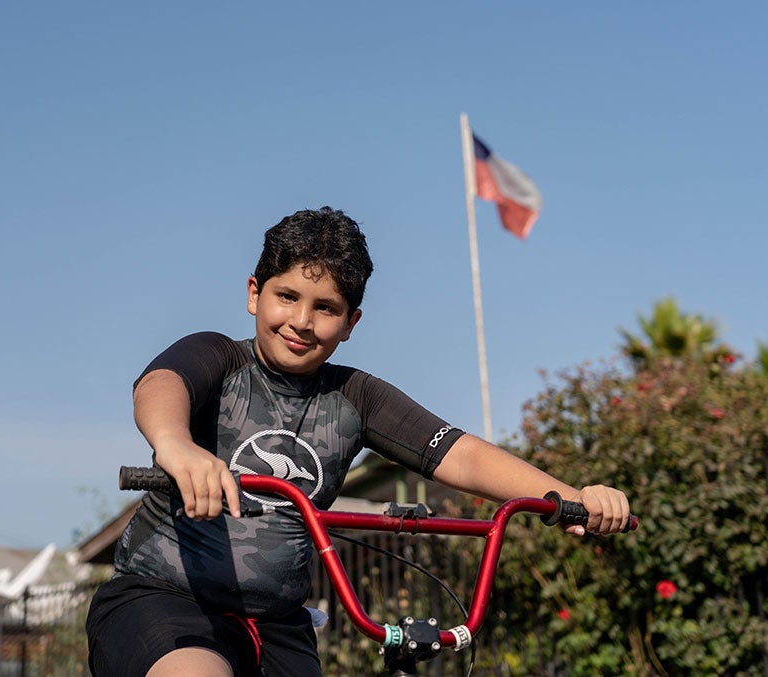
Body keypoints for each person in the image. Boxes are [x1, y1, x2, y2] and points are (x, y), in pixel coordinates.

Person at [85, 206, 630, 677]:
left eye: (325, 308)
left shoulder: (355, 397)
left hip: (279, 625)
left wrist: (570, 496)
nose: (301, 321)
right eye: (287, 296)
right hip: (165, 601)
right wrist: (176, 446)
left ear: (351, 323)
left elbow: (455, 451)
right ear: (255, 294)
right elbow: (162, 385)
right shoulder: (220, 359)